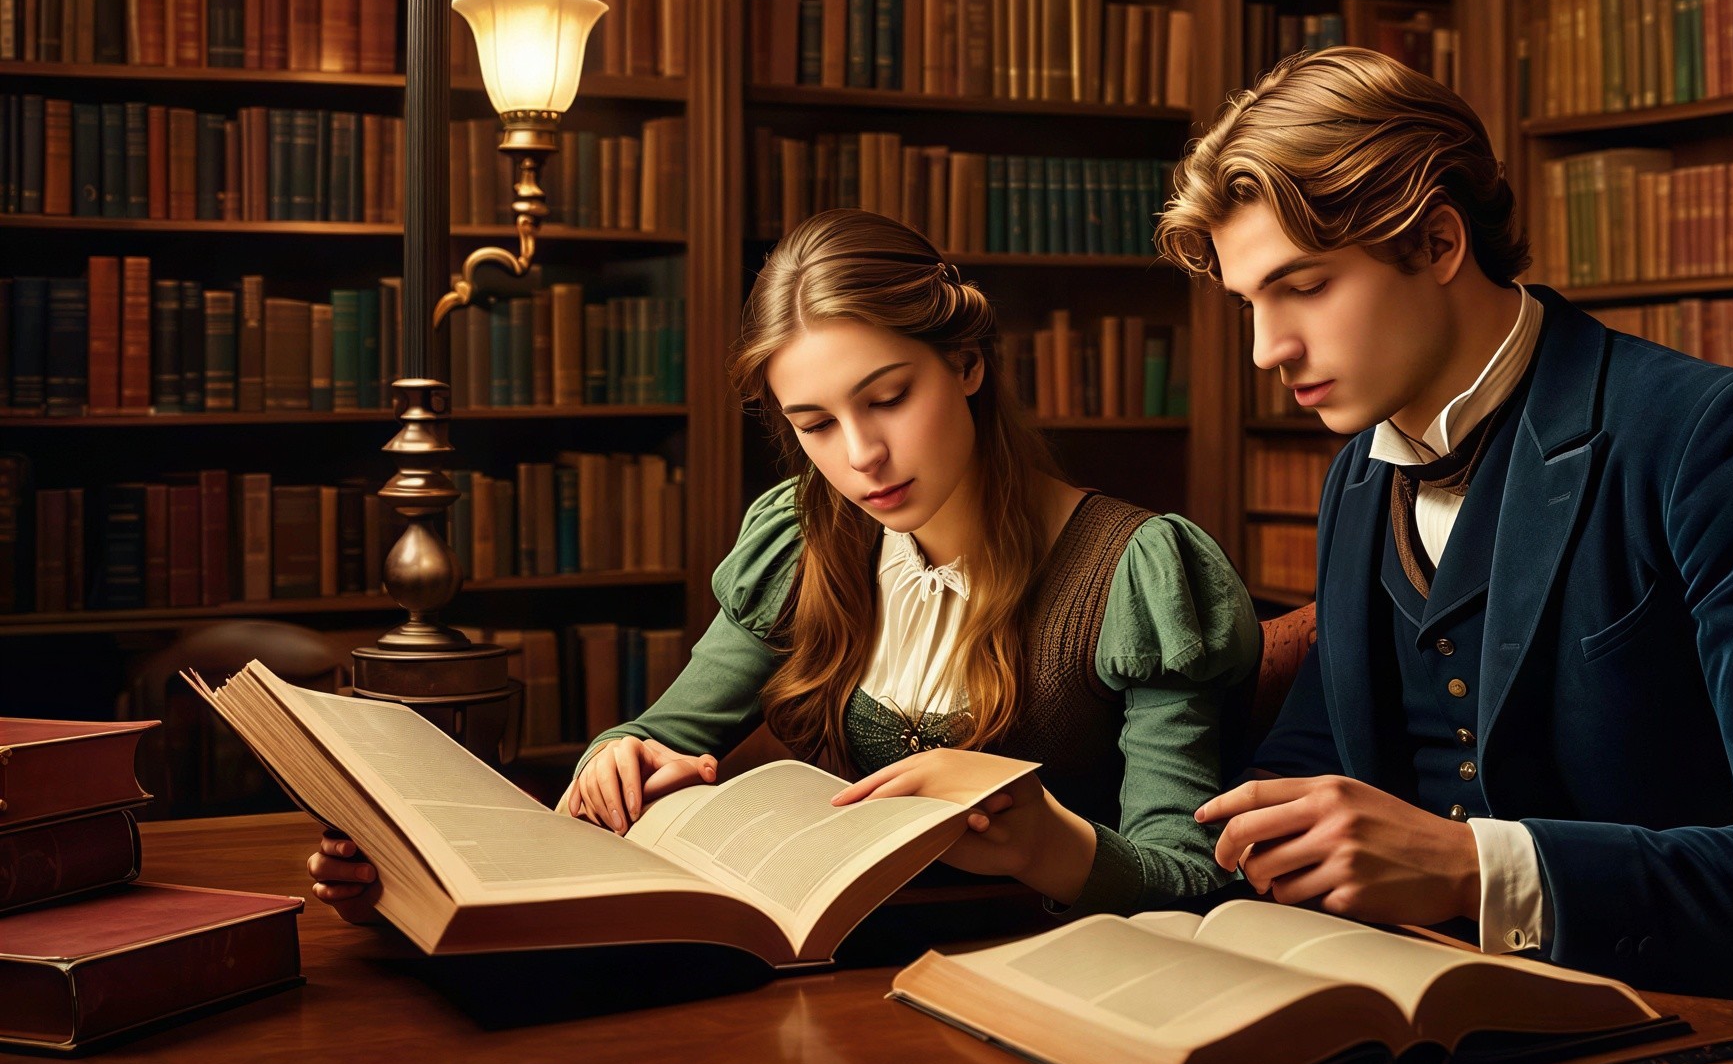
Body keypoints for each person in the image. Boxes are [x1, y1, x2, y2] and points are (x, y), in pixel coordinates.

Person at [1157, 48, 1733, 1064]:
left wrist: (1474, 868)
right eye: (1247, 301)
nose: (1266, 348)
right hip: (1433, 1062)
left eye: (1305, 285)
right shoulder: (1357, 475)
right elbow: (1312, 766)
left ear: (1436, 242)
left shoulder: (1715, 438)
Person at [309, 208, 1260, 922]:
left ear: (967, 365)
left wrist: (1045, 841)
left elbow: (1190, 881)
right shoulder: (801, 538)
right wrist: (620, 758)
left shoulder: (1138, 571)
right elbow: (657, 731)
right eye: (815, 424)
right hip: (827, 976)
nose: (861, 457)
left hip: (1052, 983)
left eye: (887, 398)